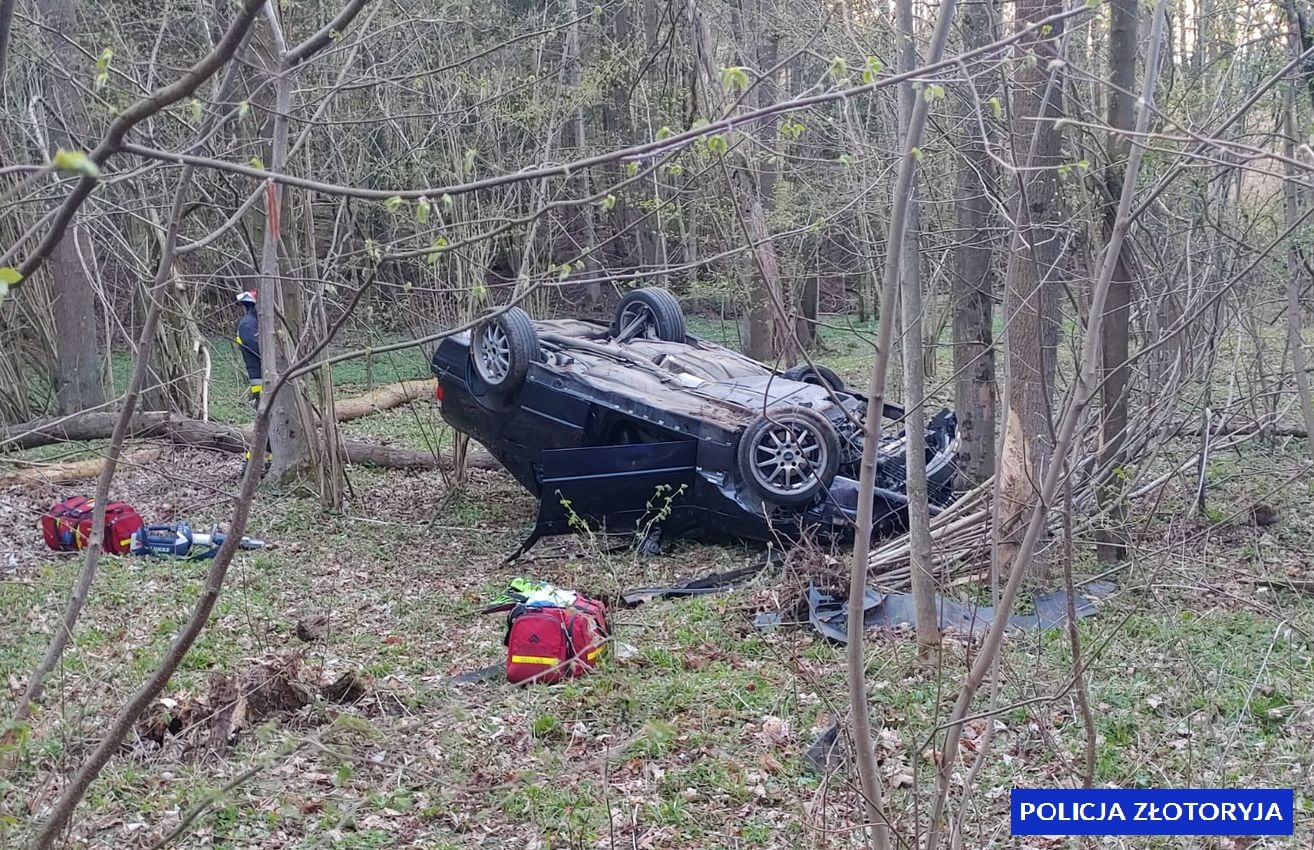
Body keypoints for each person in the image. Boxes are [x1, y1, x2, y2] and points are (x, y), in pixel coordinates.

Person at [235, 290, 271, 474]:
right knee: (265, 425)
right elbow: (259, 350)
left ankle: (265, 462)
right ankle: (250, 467)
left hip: (268, 381)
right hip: (262, 382)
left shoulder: (256, 322)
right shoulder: (248, 325)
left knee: (271, 425)